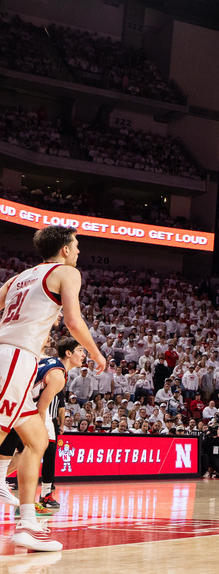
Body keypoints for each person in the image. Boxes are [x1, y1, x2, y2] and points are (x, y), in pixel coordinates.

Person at [0, 225, 106, 552]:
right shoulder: (66, 273)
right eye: (76, 246)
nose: (78, 252)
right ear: (64, 249)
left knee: (37, 440)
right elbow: (73, 321)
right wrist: (97, 353)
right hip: (15, 357)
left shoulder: (17, 278)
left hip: (11, 355)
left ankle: (28, 523)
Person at [0, 337, 85, 513]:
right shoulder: (58, 376)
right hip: (17, 403)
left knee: (23, 451)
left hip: (13, 398)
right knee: (33, 448)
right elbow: (39, 409)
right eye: (80, 351)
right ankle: (24, 504)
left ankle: (9, 488)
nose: (84, 355)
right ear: (68, 353)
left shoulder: (48, 360)